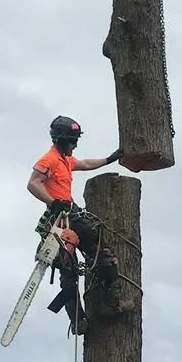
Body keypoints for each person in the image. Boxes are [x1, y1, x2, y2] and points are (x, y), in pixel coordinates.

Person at [27, 115, 123, 330]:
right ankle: (80, 319)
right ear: (62, 139)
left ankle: (100, 308)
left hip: (69, 215)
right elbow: (33, 183)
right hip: (63, 219)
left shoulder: (65, 160)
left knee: (94, 259)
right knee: (83, 262)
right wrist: (53, 202)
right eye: (73, 140)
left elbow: (85, 163)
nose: (75, 144)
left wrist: (109, 159)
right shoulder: (49, 160)